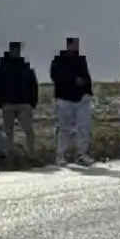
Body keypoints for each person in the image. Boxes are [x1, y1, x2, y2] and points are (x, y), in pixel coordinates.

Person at [50, 36, 94, 166]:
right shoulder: (58, 60)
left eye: (77, 45)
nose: (75, 47)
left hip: (81, 99)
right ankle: (60, 155)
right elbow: (55, 77)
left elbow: (87, 77)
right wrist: (72, 80)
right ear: (68, 45)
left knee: (83, 127)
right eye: (73, 45)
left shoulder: (81, 60)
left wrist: (86, 87)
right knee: (64, 128)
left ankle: (82, 154)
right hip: (65, 99)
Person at [0, 41, 39, 156]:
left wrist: (32, 102)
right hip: (8, 104)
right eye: (14, 49)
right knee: (9, 132)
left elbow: (33, 84)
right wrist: (0, 102)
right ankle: (9, 155)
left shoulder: (25, 65)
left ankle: (31, 154)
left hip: (24, 103)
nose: (16, 52)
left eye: (17, 50)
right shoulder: (2, 66)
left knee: (28, 130)